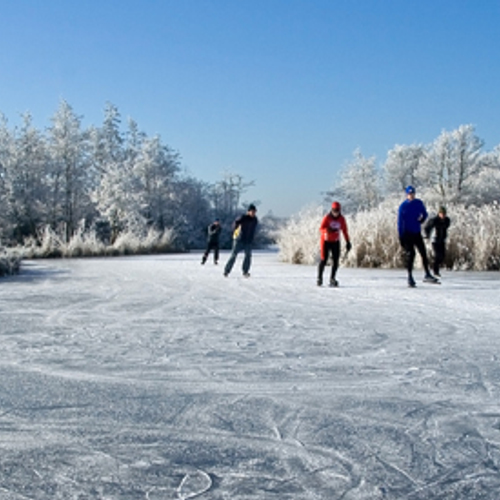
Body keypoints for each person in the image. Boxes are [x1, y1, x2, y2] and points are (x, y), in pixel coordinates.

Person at [398, 186, 439, 287]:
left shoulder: (418, 203)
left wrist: (422, 220)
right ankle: (410, 277)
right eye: (409, 194)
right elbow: (400, 222)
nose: (411, 195)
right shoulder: (403, 206)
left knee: (423, 252)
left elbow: (424, 213)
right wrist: (401, 236)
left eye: (412, 194)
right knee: (411, 254)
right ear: (407, 195)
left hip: (416, 232)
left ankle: (427, 274)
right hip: (407, 234)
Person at [317, 201, 352, 287]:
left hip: (335, 242)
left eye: (337, 211)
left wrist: (348, 241)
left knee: (336, 261)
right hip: (326, 241)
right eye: (334, 210)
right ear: (331, 210)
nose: (335, 213)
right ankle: (319, 278)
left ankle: (332, 278)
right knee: (324, 259)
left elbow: (345, 231)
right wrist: (327, 230)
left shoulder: (342, 219)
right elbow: (321, 229)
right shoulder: (327, 218)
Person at [223, 204, 259, 277]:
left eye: (254, 212)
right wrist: (235, 230)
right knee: (234, 255)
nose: (253, 213)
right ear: (248, 212)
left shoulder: (255, 220)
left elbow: (253, 230)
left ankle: (245, 271)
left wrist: (252, 238)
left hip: (248, 241)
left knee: (248, 256)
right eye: (252, 211)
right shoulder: (243, 218)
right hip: (239, 239)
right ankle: (227, 270)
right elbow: (235, 224)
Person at [424, 206, 451, 277]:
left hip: (442, 240)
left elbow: (446, 227)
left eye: (444, 214)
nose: (443, 215)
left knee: (442, 256)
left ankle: (433, 265)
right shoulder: (434, 220)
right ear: (439, 213)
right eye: (441, 214)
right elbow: (427, 227)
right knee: (437, 255)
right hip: (434, 240)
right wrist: (427, 235)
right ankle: (435, 271)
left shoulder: (447, 220)